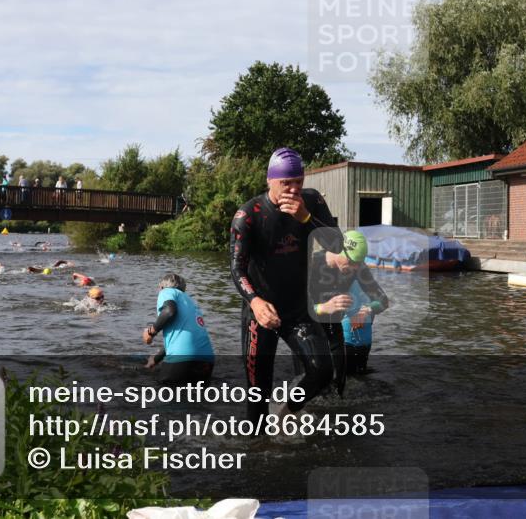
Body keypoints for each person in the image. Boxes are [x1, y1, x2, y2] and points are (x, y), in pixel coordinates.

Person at [230, 147, 344, 421]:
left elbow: (337, 244)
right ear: (270, 180)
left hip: (297, 308)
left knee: (322, 371)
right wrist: (254, 302)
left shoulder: (312, 202)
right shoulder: (249, 215)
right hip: (261, 312)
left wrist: (305, 218)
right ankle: (257, 446)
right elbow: (237, 268)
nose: (293, 189)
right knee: (257, 394)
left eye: (298, 182)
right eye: (286, 183)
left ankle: (284, 414)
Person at [308, 230, 390, 391]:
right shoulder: (312, 264)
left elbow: (383, 300)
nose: (355, 268)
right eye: (352, 262)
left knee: (339, 384)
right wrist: (323, 307)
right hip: (309, 329)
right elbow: (294, 307)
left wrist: (367, 310)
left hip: (334, 328)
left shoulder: (358, 268)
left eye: (359, 263)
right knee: (310, 382)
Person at [141, 272, 215, 386]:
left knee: (165, 397)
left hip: (183, 359)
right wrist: (155, 360)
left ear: (161, 286)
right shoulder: (191, 302)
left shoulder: (167, 291)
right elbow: (178, 339)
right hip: (207, 361)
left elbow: (169, 311)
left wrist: (151, 332)